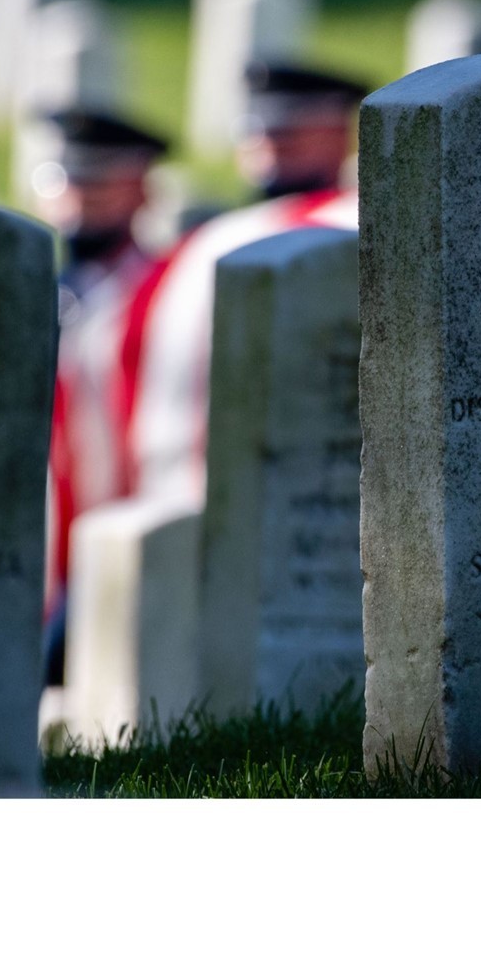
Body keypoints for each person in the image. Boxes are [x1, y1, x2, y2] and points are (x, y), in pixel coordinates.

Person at [118, 61, 364, 504]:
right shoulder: (209, 239)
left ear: (339, 131)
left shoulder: (357, 224)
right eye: (263, 128)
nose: (270, 140)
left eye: (292, 128)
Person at [35, 105, 169, 685]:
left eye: (99, 181)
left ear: (140, 189)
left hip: (119, 520)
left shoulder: (163, 292)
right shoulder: (37, 290)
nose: (80, 198)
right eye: (67, 181)